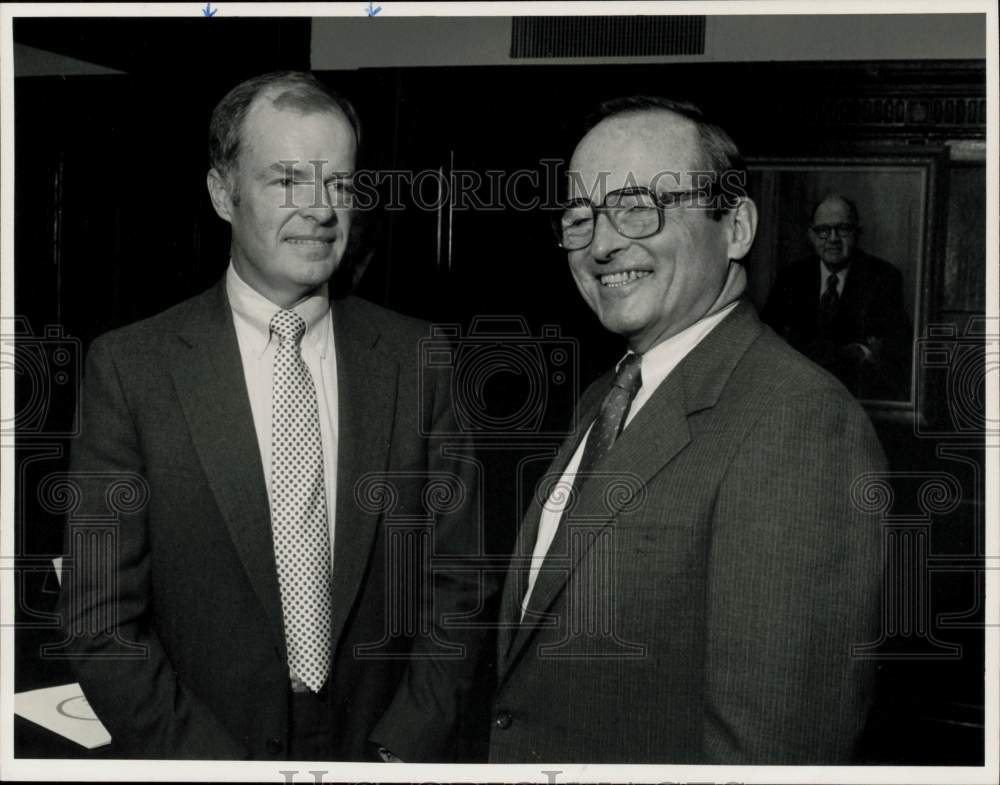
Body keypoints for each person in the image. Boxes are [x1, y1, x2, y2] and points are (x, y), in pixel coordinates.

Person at [59, 71, 486, 761]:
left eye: (339, 185)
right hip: (201, 745)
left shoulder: (418, 359)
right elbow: (99, 621)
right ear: (223, 194)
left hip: (379, 747)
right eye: (288, 180)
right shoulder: (131, 369)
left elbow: (456, 585)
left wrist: (401, 746)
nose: (320, 210)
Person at [488, 96, 886, 764]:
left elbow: (772, 750)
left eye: (639, 206)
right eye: (581, 218)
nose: (603, 244)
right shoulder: (605, 396)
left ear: (735, 227)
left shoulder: (800, 420)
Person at [762, 194, 912, 400]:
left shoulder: (884, 278)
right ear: (811, 235)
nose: (833, 239)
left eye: (843, 229)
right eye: (823, 230)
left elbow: (893, 352)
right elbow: (767, 339)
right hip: (797, 394)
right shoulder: (791, 278)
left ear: (857, 233)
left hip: (857, 398)